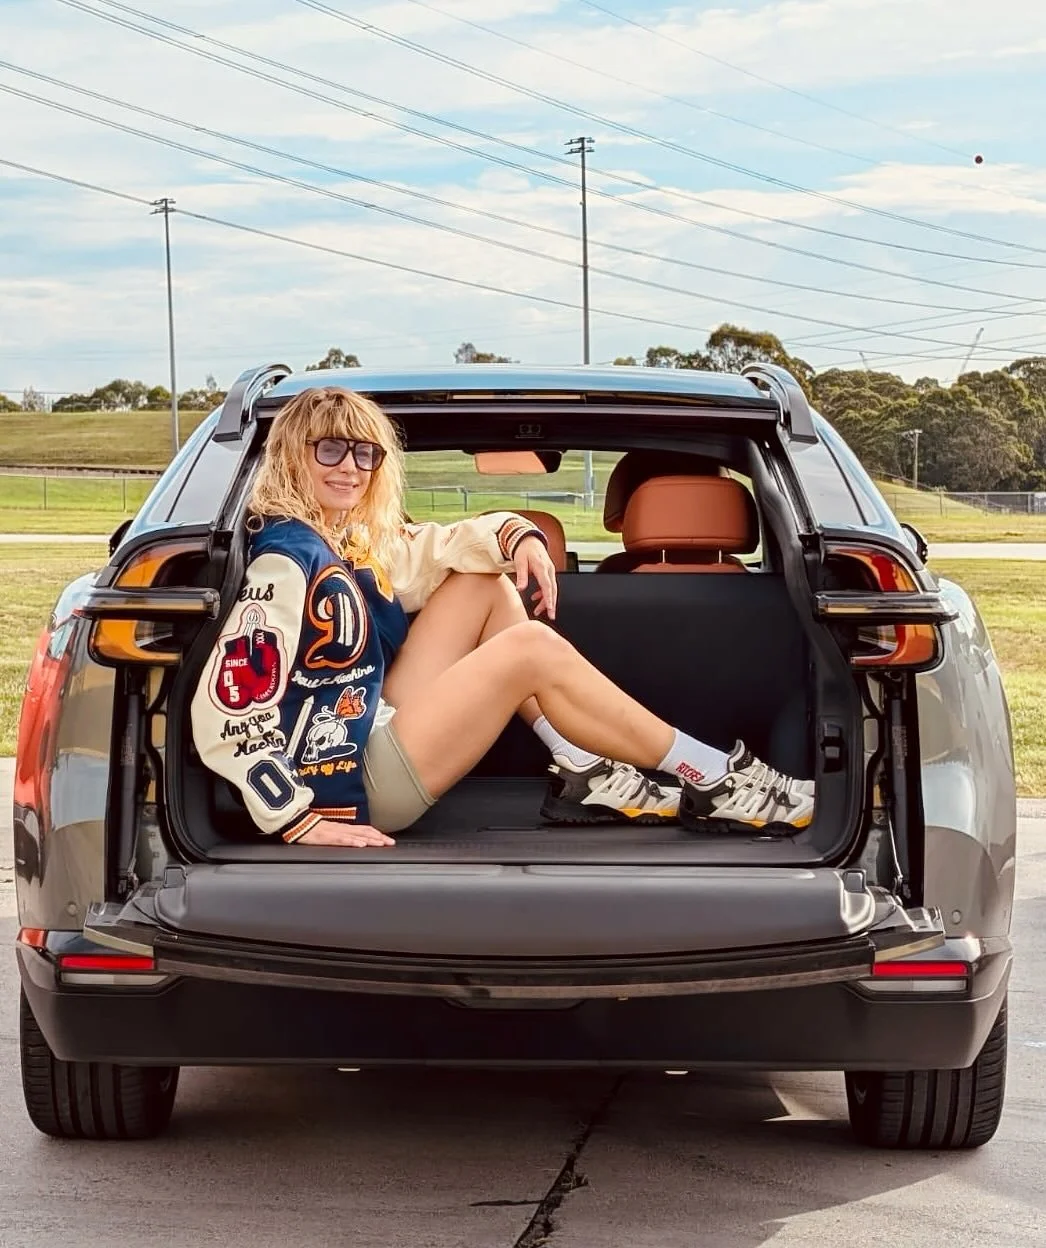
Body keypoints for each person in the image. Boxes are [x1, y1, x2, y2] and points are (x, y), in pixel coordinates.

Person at [191, 386, 814, 848]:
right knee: (532, 651)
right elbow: (227, 708)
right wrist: (297, 819)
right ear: (290, 458)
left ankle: (578, 764)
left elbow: (450, 546)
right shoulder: (286, 561)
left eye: (365, 453)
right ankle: (715, 777)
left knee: (481, 582)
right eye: (329, 449)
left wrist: (521, 539)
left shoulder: (352, 543)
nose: (351, 467)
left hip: (366, 728)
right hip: (347, 783)